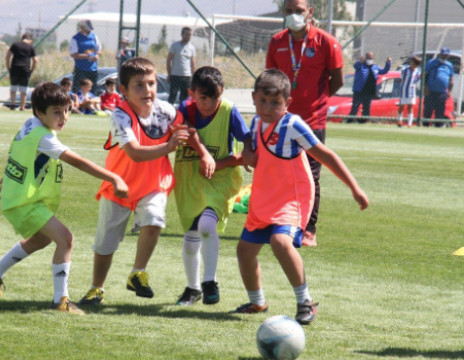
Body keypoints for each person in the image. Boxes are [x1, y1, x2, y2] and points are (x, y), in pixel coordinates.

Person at [230, 69, 368, 325]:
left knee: (280, 242)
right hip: (263, 197)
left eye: (275, 103)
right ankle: (257, 301)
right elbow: (249, 142)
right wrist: (247, 151)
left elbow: (325, 155)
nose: (268, 108)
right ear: (253, 97)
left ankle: (306, 302)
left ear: (287, 103)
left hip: (292, 198)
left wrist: (354, 188)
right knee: (244, 251)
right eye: (262, 101)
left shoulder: (292, 125)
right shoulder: (256, 122)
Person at [0, 82, 129, 314]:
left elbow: (20, 152)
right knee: (66, 239)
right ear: (39, 112)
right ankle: (61, 301)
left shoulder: (30, 125)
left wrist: (7, 178)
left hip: (19, 197)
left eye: (67, 110)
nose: (64, 117)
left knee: (42, 239)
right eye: (57, 112)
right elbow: (78, 161)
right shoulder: (44, 137)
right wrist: (114, 178)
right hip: (24, 202)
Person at [78, 57, 207, 306]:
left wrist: (205, 154)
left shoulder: (166, 110)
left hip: (154, 183)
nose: (147, 90)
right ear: (124, 91)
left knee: (155, 220)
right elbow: (135, 153)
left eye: (151, 83)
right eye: (139, 85)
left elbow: (188, 130)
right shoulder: (119, 115)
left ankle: (138, 273)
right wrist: (168, 146)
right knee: (106, 244)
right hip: (120, 185)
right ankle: (96, 288)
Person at [265, 0, 344, 247]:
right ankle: (281, 223)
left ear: (309, 12)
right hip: (282, 121)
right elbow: (270, 80)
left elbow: (338, 80)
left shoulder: (326, 42)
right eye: (289, 11)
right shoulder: (277, 42)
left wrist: (316, 103)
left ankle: (308, 230)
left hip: (313, 121)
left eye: (299, 11)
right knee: (280, 174)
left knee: (310, 176)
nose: (293, 15)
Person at [173, 66, 251, 306]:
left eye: (214, 98)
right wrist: (204, 155)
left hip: (221, 180)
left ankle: (210, 282)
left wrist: (242, 156)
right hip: (189, 179)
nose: (208, 104)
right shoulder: (183, 110)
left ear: (222, 93)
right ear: (191, 93)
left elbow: (247, 141)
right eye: (202, 98)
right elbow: (185, 131)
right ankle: (192, 287)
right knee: (190, 237)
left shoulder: (228, 111)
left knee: (207, 224)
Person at [348, 52, 391, 124]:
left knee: (366, 108)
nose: (369, 60)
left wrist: (388, 63)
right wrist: (359, 62)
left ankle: (363, 121)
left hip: (369, 92)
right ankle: (350, 120)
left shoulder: (375, 67)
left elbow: (384, 71)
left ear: (373, 58)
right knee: (355, 107)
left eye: (370, 58)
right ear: (365, 58)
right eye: (368, 58)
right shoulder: (360, 65)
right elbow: (355, 66)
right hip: (359, 91)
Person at [423, 47, 454, 128]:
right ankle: (425, 127)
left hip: (442, 93)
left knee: (440, 113)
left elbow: (451, 80)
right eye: (443, 55)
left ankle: (438, 128)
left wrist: (449, 91)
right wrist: (425, 87)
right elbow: (425, 75)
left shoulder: (449, 65)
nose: (445, 57)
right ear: (440, 54)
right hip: (430, 92)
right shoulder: (431, 63)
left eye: (446, 55)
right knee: (428, 112)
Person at [6, 32, 37, 111]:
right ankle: (22, 106)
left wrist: (8, 67)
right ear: (30, 40)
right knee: (24, 89)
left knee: (13, 88)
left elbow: (8, 56)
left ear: (22, 38)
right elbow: (35, 60)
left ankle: (12, 105)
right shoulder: (30, 47)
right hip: (25, 70)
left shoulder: (15, 45)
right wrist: (31, 70)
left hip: (15, 68)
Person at [70, 20, 101, 93]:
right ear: (82, 27)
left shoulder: (94, 36)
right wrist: (87, 56)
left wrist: (97, 55)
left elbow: (99, 49)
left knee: (92, 91)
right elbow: (74, 54)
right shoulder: (76, 38)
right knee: (78, 91)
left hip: (93, 69)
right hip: (81, 69)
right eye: (86, 28)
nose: (88, 31)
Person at [167, 27, 196, 105]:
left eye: (189, 34)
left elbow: (193, 63)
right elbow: (169, 60)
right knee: (173, 94)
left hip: (187, 75)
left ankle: (182, 113)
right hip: (175, 74)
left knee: (185, 97)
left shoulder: (192, 47)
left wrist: (193, 77)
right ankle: (169, 113)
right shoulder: (175, 45)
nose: (188, 36)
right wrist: (169, 74)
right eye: (186, 34)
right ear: (182, 34)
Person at [397, 56, 421, 128]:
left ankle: (409, 123)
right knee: (402, 105)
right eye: (412, 62)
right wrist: (404, 86)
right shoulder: (405, 70)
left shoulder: (417, 72)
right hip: (404, 90)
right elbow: (401, 79)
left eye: (415, 64)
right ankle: (399, 121)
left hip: (411, 91)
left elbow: (416, 81)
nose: (412, 64)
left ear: (416, 65)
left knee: (410, 106)